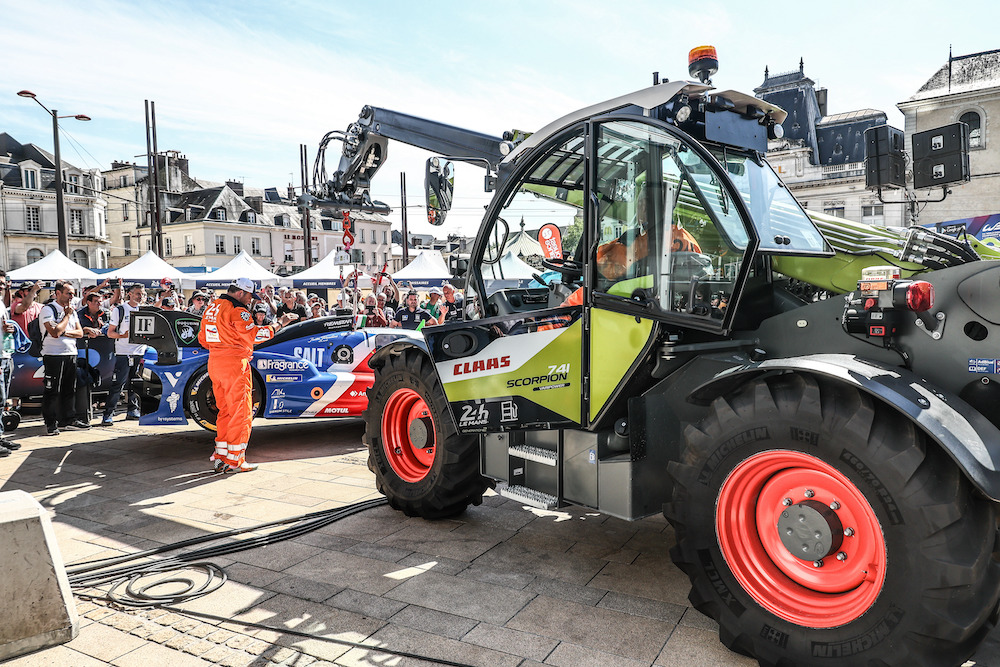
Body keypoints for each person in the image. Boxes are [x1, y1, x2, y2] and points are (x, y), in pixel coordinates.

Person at [200, 277, 298, 473]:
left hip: (215, 363)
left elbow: (202, 339)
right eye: (249, 297)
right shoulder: (238, 311)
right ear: (240, 293)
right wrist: (279, 324)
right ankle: (236, 460)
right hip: (234, 364)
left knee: (224, 411)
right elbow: (255, 337)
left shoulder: (211, 308)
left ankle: (221, 457)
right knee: (241, 413)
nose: (250, 301)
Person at [40, 280, 88, 435]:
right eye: (68, 293)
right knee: (52, 390)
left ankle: (68, 419)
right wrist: (65, 317)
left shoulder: (72, 311)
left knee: (69, 389)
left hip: (71, 353)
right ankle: (50, 423)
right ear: (58, 293)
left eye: (73, 294)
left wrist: (63, 330)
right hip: (54, 355)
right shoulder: (48, 309)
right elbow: (54, 333)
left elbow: (79, 333)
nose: (71, 297)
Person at [101, 283, 147, 426]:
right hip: (123, 353)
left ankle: (133, 410)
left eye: (143, 294)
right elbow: (110, 333)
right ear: (130, 294)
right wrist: (123, 335)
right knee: (118, 384)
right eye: (138, 293)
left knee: (135, 384)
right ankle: (108, 414)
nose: (141, 297)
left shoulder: (144, 310)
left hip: (140, 352)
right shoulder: (120, 310)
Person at [0, 274, 20, 455]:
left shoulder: (1, 304)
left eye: (3, 284)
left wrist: (9, 329)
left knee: (2, 399)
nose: (2, 286)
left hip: (6, 354)